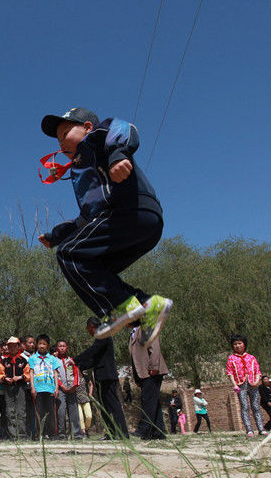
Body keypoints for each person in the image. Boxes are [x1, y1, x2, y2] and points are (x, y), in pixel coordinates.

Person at [37, 108, 172, 344]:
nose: (61, 142)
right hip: (140, 226)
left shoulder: (98, 136)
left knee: (70, 254)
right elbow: (86, 218)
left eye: (65, 133)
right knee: (88, 266)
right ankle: (147, 305)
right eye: (58, 139)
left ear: (87, 127)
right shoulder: (82, 170)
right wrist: (56, 235)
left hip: (130, 211)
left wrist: (119, 155)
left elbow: (124, 130)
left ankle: (121, 308)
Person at [75, 317, 129, 439]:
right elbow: (95, 360)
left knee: (113, 405)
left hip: (107, 375)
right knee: (105, 406)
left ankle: (122, 433)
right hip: (101, 376)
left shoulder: (103, 335)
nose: (89, 332)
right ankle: (111, 433)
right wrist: (80, 366)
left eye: (89, 329)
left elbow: (92, 351)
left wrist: (76, 359)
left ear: (92, 326)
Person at [129, 326, 168, 440]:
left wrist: (154, 366)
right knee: (153, 402)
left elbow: (154, 347)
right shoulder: (133, 333)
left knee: (148, 401)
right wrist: (137, 378)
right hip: (143, 373)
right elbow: (136, 358)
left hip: (151, 371)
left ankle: (144, 430)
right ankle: (158, 431)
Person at [226, 335, 266, 437]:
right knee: (244, 406)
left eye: (239, 343)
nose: (237, 346)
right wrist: (234, 385)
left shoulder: (251, 357)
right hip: (240, 384)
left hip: (252, 383)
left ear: (244, 344)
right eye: (235, 344)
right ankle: (249, 429)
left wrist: (257, 380)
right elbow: (230, 373)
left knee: (256, 406)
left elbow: (258, 370)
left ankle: (261, 429)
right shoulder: (231, 358)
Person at [23, 335, 61, 439]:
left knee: (50, 411)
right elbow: (31, 372)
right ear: (37, 345)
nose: (42, 346)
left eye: (44, 344)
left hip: (50, 388)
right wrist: (32, 387)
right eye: (40, 344)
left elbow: (55, 373)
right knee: (39, 412)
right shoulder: (33, 358)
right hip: (38, 389)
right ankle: (40, 433)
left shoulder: (52, 358)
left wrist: (56, 388)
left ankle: (50, 433)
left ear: (47, 346)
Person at [0, 336, 29, 439]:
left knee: (21, 411)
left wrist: (20, 377)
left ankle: (22, 434)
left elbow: (28, 374)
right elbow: (0, 374)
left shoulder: (23, 360)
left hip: (20, 388)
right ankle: (13, 435)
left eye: (14, 346)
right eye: (10, 346)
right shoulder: (4, 361)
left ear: (18, 346)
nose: (12, 348)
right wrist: (5, 378)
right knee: (10, 411)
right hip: (8, 388)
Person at [55, 339, 85, 439]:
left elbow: (76, 374)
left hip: (72, 389)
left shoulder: (71, 360)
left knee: (74, 411)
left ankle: (76, 434)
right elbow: (55, 375)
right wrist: (61, 386)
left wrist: (74, 386)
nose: (62, 348)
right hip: (61, 389)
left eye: (64, 346)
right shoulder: (54, 360)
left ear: (67, 348)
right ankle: (62, 434)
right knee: (61, 411)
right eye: (60, 346)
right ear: (57, 348)